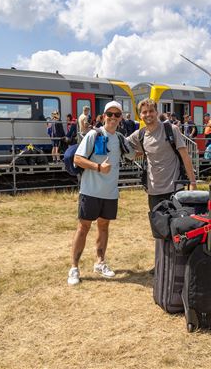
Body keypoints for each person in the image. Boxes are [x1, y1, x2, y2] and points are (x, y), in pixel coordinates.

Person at [67, 101, 135, 285]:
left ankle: (100, 262)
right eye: (110, 114)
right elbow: (77, 159)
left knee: (104, 227)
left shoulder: (121, 138)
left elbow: (134, 154)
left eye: (117, 115)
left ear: (121, 118)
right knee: (83, 228)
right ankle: (74, 268)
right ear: (103, 115)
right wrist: (98, 167)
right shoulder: (93, 134)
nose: (113, 118)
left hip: (110, 192)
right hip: (90, 191)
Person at [126, 98, 197, 213]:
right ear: (140, 115)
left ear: (156, 112)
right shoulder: (140, 134)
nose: (148, 114)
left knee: (177, 227)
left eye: (151, 111)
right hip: (153, 191)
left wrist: (193, 183)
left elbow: (185, 156)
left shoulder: (171, 129)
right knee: (158, 227)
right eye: (144, 112)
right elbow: (121, 143)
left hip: (175, 188)